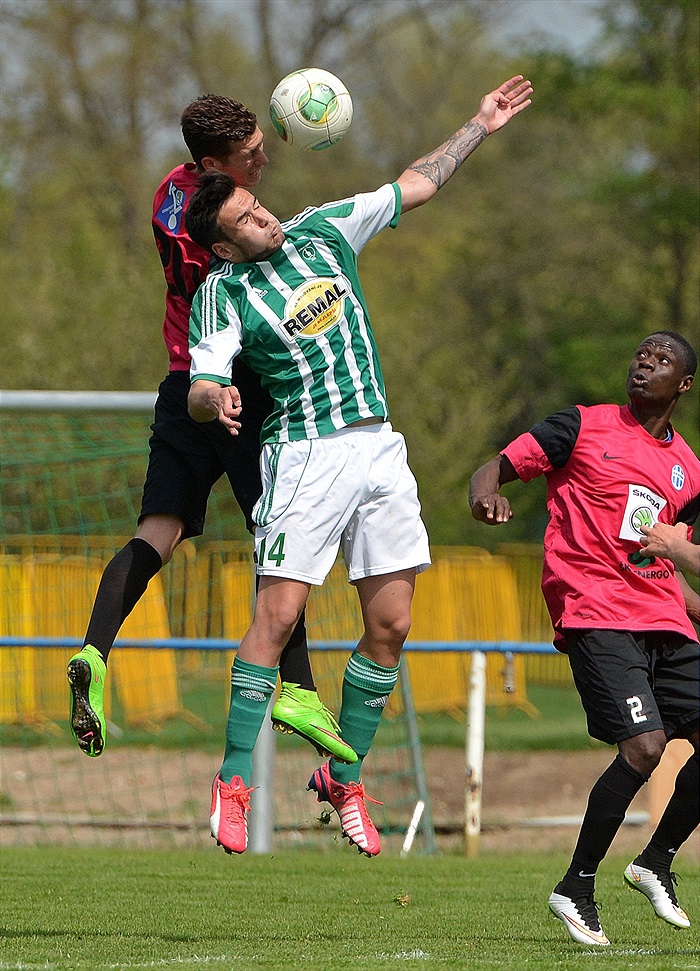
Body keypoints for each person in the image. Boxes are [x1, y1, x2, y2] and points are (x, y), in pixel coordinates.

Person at [185, 75, 534, 856]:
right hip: (307, 454)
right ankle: (234, 780)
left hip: (381, 446)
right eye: (244, 217)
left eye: (257, 204)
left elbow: (416, 184)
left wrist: (478, 124)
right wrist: (216, 400)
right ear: (222, 242)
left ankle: (343, 779)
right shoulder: (224, 292)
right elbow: (203, 381)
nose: (261, 213)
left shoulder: (324, 230)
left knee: (393, 622)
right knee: (276, 618)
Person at [67, 95, 356, 767]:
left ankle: (92, 650)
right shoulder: (225, 239)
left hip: (180, 385)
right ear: (212, 164)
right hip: (231, 388)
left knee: (156, 533)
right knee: (277, 532)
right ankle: (302, 689)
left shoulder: (171, 194)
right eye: (250, 153)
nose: (264, 157)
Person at [469, 331, 700, 946]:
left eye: (662, 359)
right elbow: (493, 465)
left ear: (683, 385)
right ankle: (576, 885)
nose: (644, 363)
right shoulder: (580, 425)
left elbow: (676, 554)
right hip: (596, 608)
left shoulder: (689, 470)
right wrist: (486, 492)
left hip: (664, 616)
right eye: (640, 355)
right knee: (646, 747)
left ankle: (655, 862)